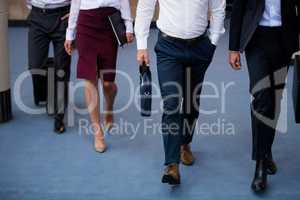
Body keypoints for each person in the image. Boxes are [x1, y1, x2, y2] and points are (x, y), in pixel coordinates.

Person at [135, 0, 225, 185]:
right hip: (168, 48)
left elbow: (218, 7)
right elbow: (145, 6)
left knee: (192, 103)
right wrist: (141, 45)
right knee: (171, 104)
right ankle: (172, 164)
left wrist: (213, 41)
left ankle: (185, 142)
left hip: (200, 47)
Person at [229, 0, 300, 192]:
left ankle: (266, 150)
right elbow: (239, 8)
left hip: (284, 39)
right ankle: (260, 164)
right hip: (256, 38)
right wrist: (233, 48)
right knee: (262, 98)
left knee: (275, 100)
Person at [64, 0, 134, 153]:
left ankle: (109, 108)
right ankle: (97, 132)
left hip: (109, 22)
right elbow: (75, 3)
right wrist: (70, 33)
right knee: (89, 78)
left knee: (108, 83)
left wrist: (129, 25)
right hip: (86, 22)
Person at [27, 0, 71, 133]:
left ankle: (59, 118)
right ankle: (48, 92)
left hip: (63, 15)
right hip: (37, 15)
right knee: (35, 66)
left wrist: (76, 12)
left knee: (62, 70)